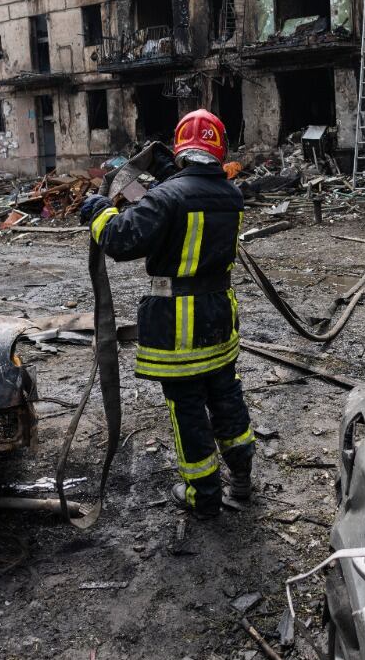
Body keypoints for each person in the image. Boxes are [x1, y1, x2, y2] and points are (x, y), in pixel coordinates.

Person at [78, 109, 252, 520]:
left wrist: (99, 210)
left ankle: (203, 495)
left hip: (179, 325)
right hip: (218, 317)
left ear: (180, 151)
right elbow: (185, 211)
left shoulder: (167, 198)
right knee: (226, 394)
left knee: (187, 406)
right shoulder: (231, 194)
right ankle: (242, 477)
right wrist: (166, 178)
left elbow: (121, 240)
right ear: (219, 149)